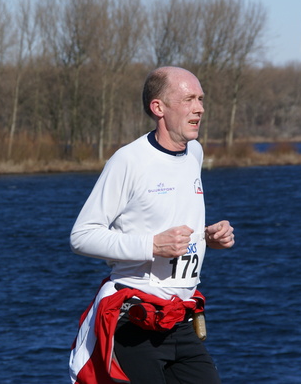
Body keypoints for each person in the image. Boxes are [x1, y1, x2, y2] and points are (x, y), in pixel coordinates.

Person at [69, 66, 235, 384]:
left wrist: (208, 237)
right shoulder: (128, 161)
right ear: (158, 107)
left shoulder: (195, 153)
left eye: (201, 99)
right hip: (134, 317)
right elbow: (81, 236)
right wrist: (152, 245)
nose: (199, 108)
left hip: (182, 316)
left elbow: (174, 218)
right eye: (188, 99)